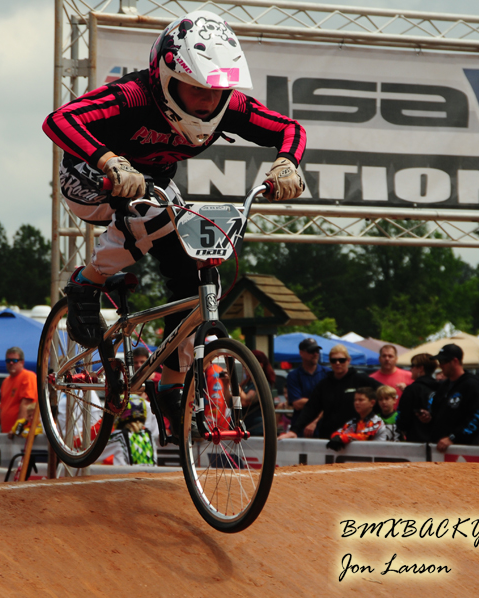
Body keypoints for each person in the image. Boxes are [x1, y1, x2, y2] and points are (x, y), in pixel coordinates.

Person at [42, 9, 306, 435]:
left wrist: (287, 163)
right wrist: (110, 161)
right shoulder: (133, 95)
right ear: (167, 77)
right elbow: (59, 120)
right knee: (152, 214)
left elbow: (289, 129)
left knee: (196, 276)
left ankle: (171, 383)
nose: (208, 102)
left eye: (216, 91)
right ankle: (86, 282)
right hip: (88, 179)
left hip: (153, 187)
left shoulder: (229, 106)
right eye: (196, 89)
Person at [279, 345, 380, 440]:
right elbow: (310, 408)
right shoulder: (324, 384)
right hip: (329, 436)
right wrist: (294, 431)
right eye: (333, 360)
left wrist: (374, 415)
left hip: (354, 436)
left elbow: (383, 392)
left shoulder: (360, 379)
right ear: (330, 362)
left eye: (341, 360)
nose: (337, 363)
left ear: (348, 360)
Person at [420, 344, 479, 452]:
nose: (440, 366)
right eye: (439, 362)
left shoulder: (471, 384)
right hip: (439, 448)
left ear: (455, 361)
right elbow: (438, 414)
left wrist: (453, 438)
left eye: (443, 362)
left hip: (462, 449)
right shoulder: (444, 386)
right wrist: (428, 417)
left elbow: (477, 418)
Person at [285, 338, 331, 433]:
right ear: (301, 353)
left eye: (317, 351)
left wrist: (315, 420)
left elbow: (331, 403)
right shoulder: (293, 375)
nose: (315, 354)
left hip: (324, 426)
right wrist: (322, 401)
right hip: (301, 427)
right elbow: (297, 404)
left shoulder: (328, 373)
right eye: (311, 351)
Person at [395, 353, 439, 443]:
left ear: (421, 368)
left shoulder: (411, 390)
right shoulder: (441, 387)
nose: (410, 369)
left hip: (416, 441)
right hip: (438, 440)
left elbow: (402, 418)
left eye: (413, 365)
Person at [0, 347, 38, 436]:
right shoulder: (6, 381)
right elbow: (1, 407)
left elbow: (26, 404)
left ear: (22, 362)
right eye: (8, 361)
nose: (11, 363)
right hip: (6, 432)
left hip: (20, 433)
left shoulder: (28, 376)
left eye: (14, 360)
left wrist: (17, 428)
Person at [238, 350, 276, 437]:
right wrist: (226, 384)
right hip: (243, 427)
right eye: (243, 365)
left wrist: (235, 385)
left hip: (256, 428)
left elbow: (246, 401)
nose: (244, 368)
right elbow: (229, 401)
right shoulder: (246, 383)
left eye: (246, 364)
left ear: (259, 365)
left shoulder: (261, 383)